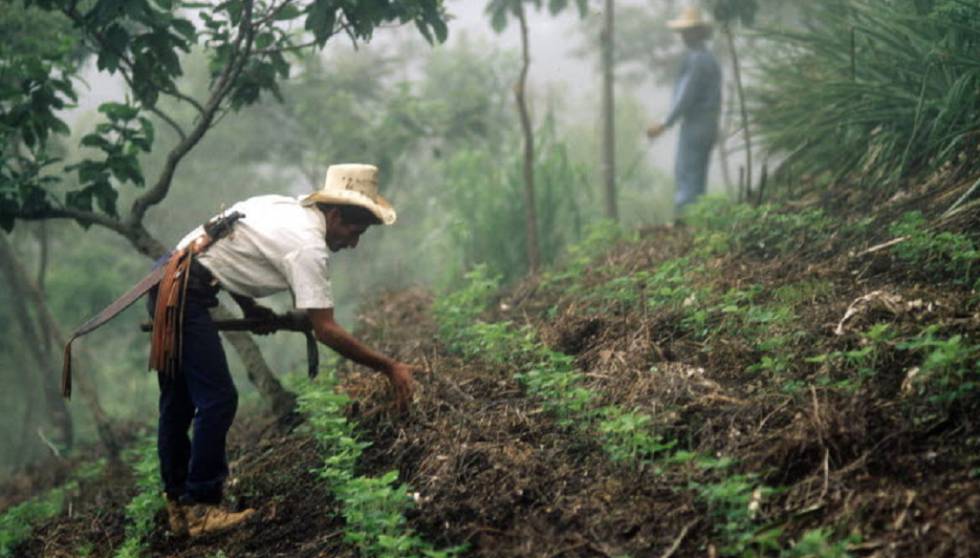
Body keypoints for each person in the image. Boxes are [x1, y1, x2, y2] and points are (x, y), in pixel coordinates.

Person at [152, 163, 415, 538]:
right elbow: (325, 328)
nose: (353, 243)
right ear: (335, 214)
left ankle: (179, 507)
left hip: (166, 277)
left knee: (177, 402)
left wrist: (250, 308)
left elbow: (223, 250)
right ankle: (201, 505)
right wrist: (389, 367)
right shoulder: (308, 246)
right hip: (184, 290)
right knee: (218, 399)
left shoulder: (283, 208)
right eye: (353, 232)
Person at [647, 6, 722, 214]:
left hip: (696, 124)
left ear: (697, 32)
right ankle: (695, 221)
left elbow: (685, 97)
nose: (683, 36)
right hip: (708, 124)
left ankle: (686, 221)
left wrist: (664, 123)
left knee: (687, 172)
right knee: (697, 175)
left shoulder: (696, 60)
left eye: (687, 31)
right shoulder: (709, 58)